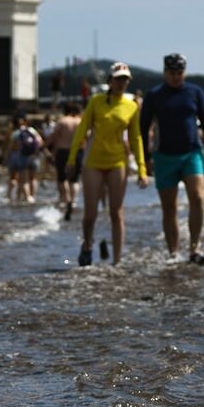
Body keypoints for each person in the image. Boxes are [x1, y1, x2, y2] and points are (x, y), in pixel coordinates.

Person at [140, 53, 204, 265]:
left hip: (191, 153)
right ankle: (174, 252)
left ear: (185, 72)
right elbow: (143, 127)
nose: (176, 77)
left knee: (198, 198)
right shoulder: (154, 95)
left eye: (179, 73)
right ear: (165, 72)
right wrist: (145, 159)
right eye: (172, 73)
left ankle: (195, 248)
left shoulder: (195, 92)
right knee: (170, 206)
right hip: (164, 156)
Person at [67, 63, 148, 266]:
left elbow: (136, 138)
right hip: (93, 162)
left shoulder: (131, 106)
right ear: (110, 80)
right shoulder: (96, 101)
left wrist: (142, 169)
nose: (122, 82)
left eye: (125, 79)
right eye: (118, 78)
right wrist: (71, 158)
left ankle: (117, 261)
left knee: (116, 212)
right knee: (90, 213)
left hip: (118, 162)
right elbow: (82, 130)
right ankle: (87, 245)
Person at [46, 103, 83, 220]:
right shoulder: (80, 122)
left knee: (62, 177)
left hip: (63, 151)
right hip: (77, 151)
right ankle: (73, 201)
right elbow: (86, 137)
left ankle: (66, 199)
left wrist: (46, 146)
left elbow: (54, 136)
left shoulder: (63, 121)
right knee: (75, 179)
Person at [5, 114, 42, 204]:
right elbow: (40, 142)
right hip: (33, 157)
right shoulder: (32, 130)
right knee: (33, 178)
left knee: (20, 179)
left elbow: (10, 147)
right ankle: (32, 196)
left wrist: (6, 157)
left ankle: (23, 197)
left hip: (20, 157)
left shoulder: (16, 133)